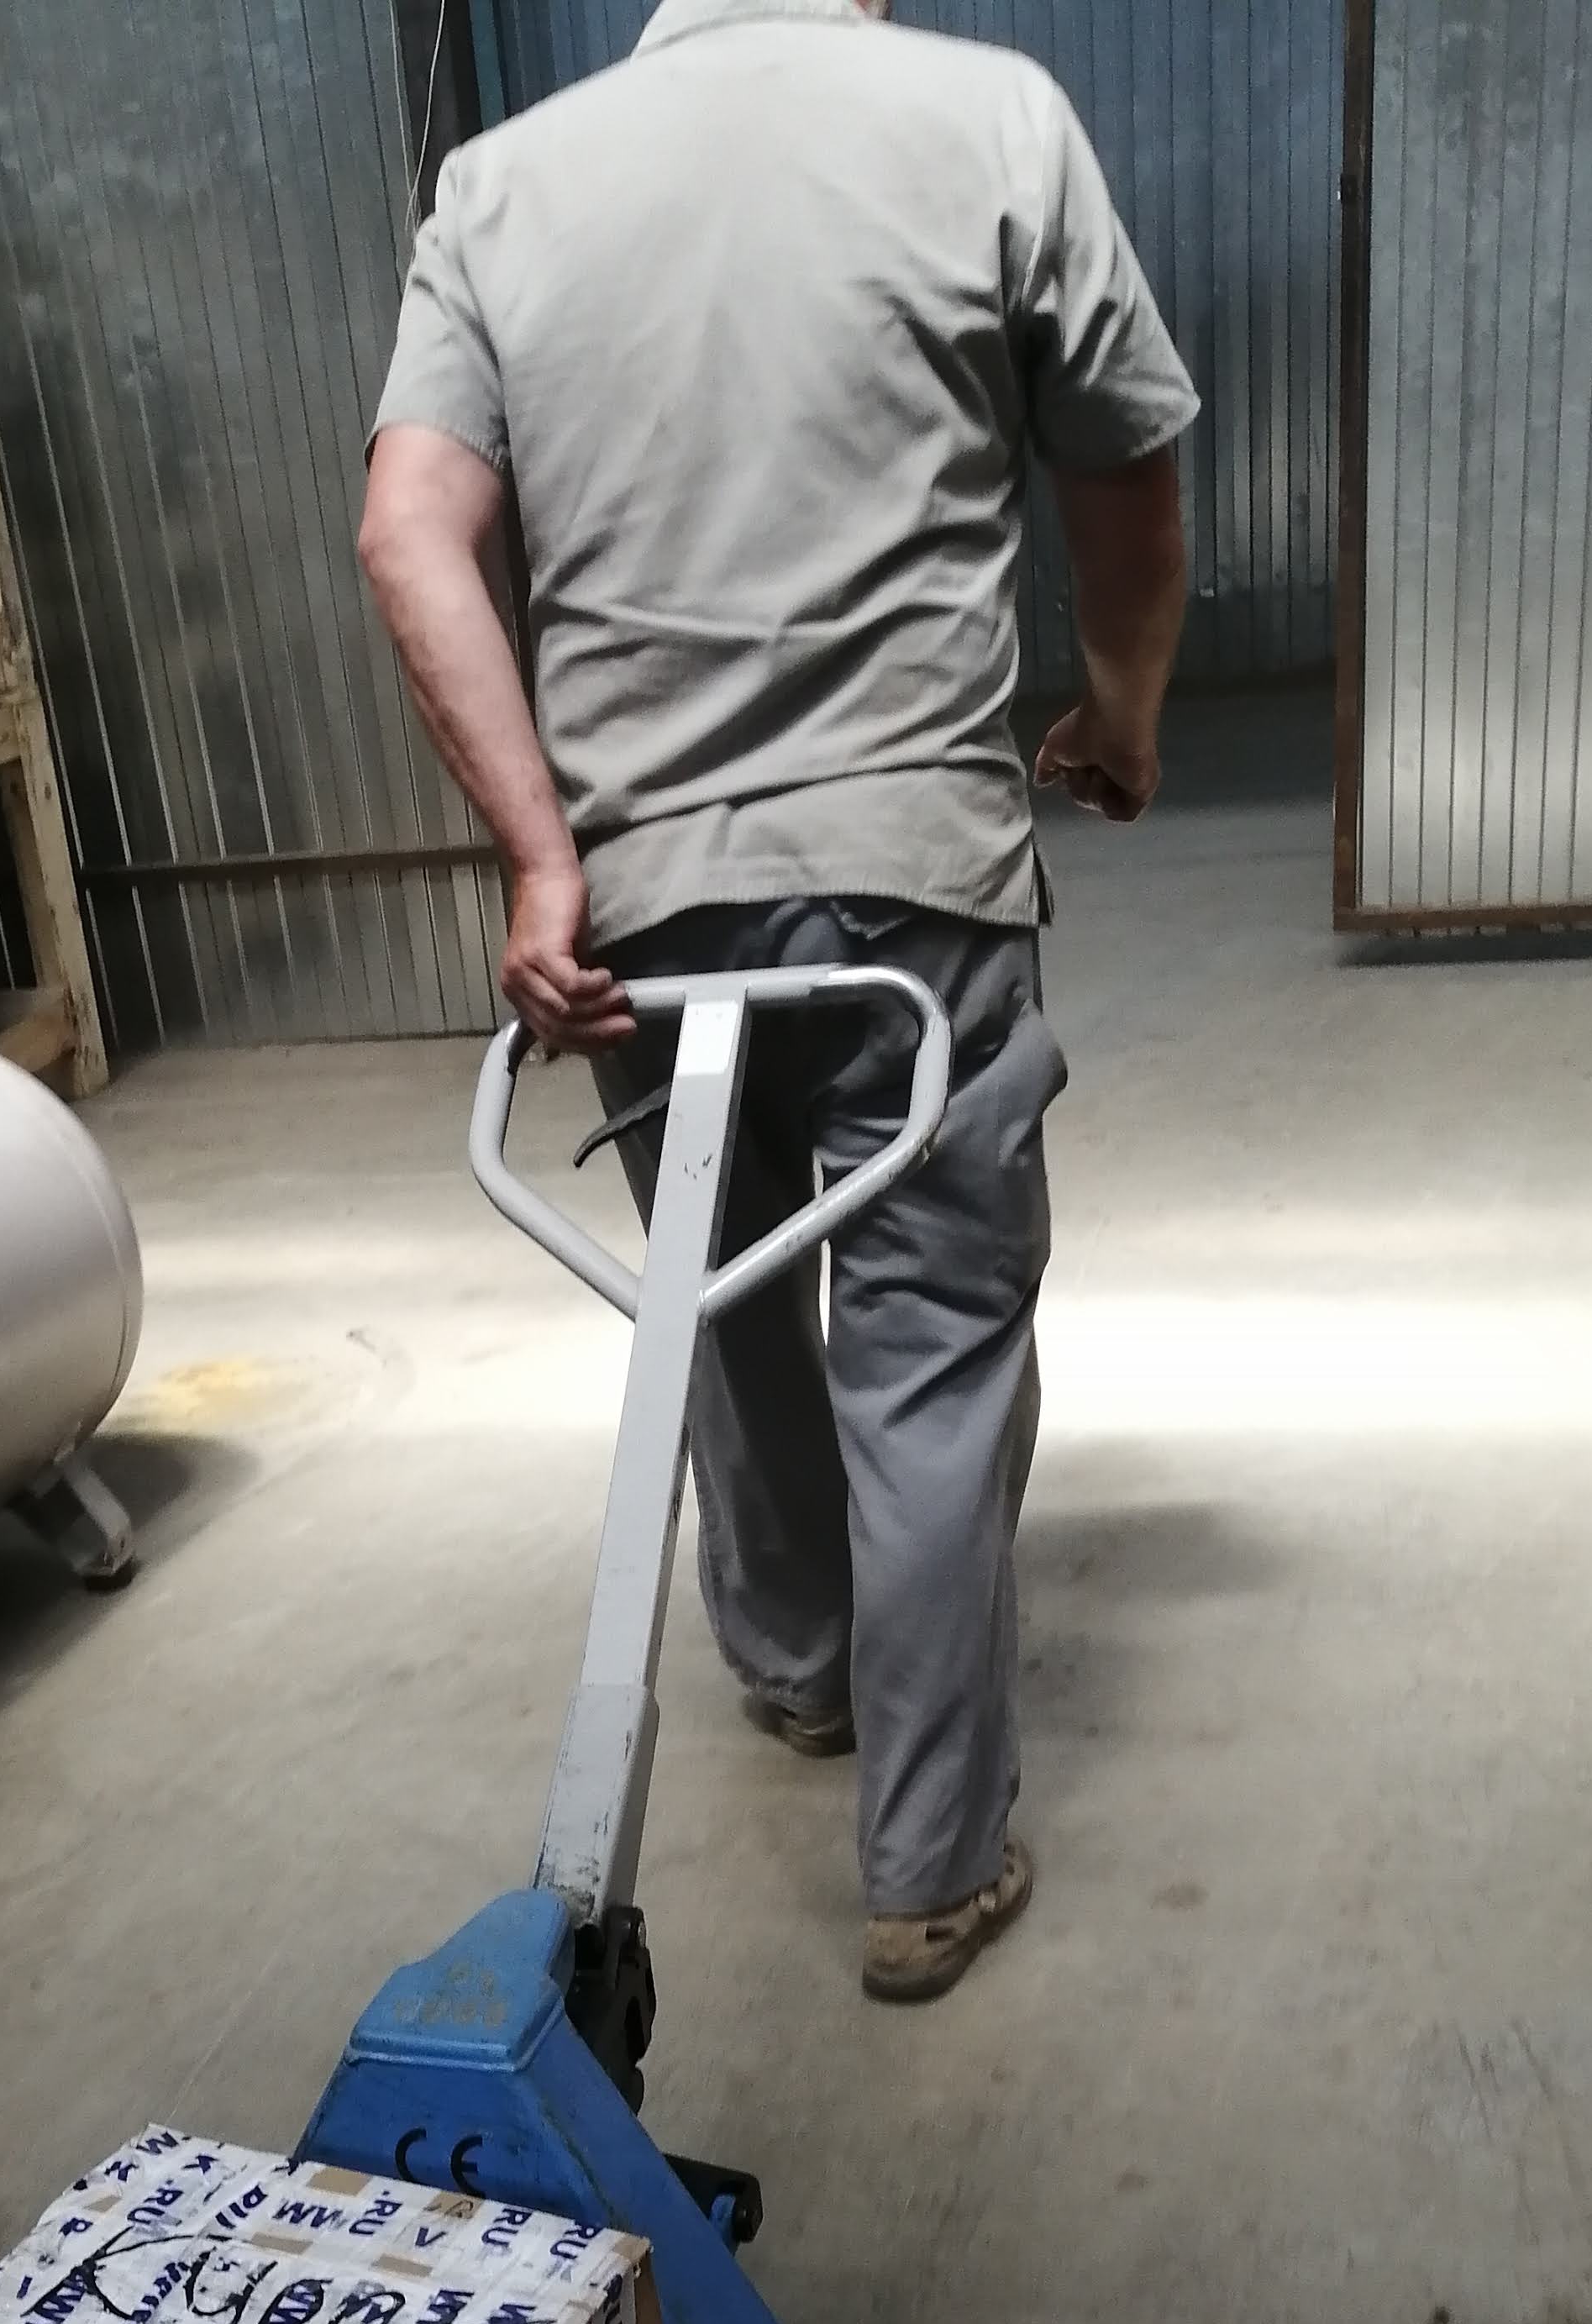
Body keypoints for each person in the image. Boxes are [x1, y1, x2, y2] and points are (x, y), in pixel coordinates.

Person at [359, 0, 1195, 2001]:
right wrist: (1124, 709)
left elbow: (408, 530)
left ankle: (803, 1668)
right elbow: (1126, 462)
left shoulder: (503, 184)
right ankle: (928, 1862)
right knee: (927, 1343)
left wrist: (542, 855)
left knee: (717, 1301)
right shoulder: (990, 119)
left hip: (645, 897)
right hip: (913, 875)